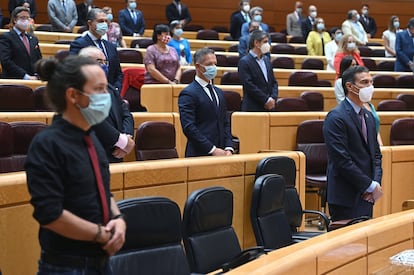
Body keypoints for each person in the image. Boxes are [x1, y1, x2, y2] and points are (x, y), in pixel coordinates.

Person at [25, 55, 126, 274]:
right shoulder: (47, 144)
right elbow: (50, 214)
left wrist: (118, 219)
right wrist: (99, 234)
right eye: (99, 89)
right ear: (73, 95)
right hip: (66, 265)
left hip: (101, 262)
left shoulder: (91, 138)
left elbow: (103, 191)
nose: (106, 96)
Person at [323, 65, 383, 222]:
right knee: (347, 246)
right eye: (364, 82)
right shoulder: (336, 117)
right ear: (350, 86)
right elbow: (341, 160)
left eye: (371, 82)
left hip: (367, 195)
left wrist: (375, 184)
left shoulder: (369, 117)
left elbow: (376, 154)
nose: (370, 87)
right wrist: (368, 185)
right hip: (346, 194)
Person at [79, 46, 135, 163]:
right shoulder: (79, 89)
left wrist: (127, 136)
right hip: (91, 154)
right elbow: (94, 120)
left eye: (106, 62)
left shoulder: (109, 87)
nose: (104, 66)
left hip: (116, 153)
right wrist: (122, 141)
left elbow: (126, 113)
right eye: (99, 62)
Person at [178, 47, 234, 157]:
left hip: (222, 153)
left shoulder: (218, 92)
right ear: (198, 66)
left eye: (215, 64)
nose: (213, 67)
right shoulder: (188, 93)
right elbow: (189, 127)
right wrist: (212, 149)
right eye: (209, 64)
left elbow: (225, 122)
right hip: (199, 154)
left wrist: (228, 147)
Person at [70, 8, 123, 91]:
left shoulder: (111, 46)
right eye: (101, 21)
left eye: (106, 21)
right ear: (90, 23)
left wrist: (115, 90)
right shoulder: (78, 44)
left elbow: (118, 73)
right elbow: (75, 71)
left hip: (111, 92)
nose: (105, 24)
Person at [238, 30, 278, 112]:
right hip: (253, 107)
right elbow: (249, 85)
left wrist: (272, 98)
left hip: (269, 107)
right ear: (256, 43)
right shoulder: (244, 61)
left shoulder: (267, 60)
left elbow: (273, 82)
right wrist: (265, 100)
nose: (268, 45)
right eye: (265, 42)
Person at [0, 7, 42, 80]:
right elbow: (6, 61)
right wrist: (25, 76)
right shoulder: (6, 37)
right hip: (13, 80)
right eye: (23, 18)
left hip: (33, 79)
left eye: (27, 18)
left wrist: (37, 74)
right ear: (15, 20)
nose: (25, 21)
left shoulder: (33, 39)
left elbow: (39, 59)